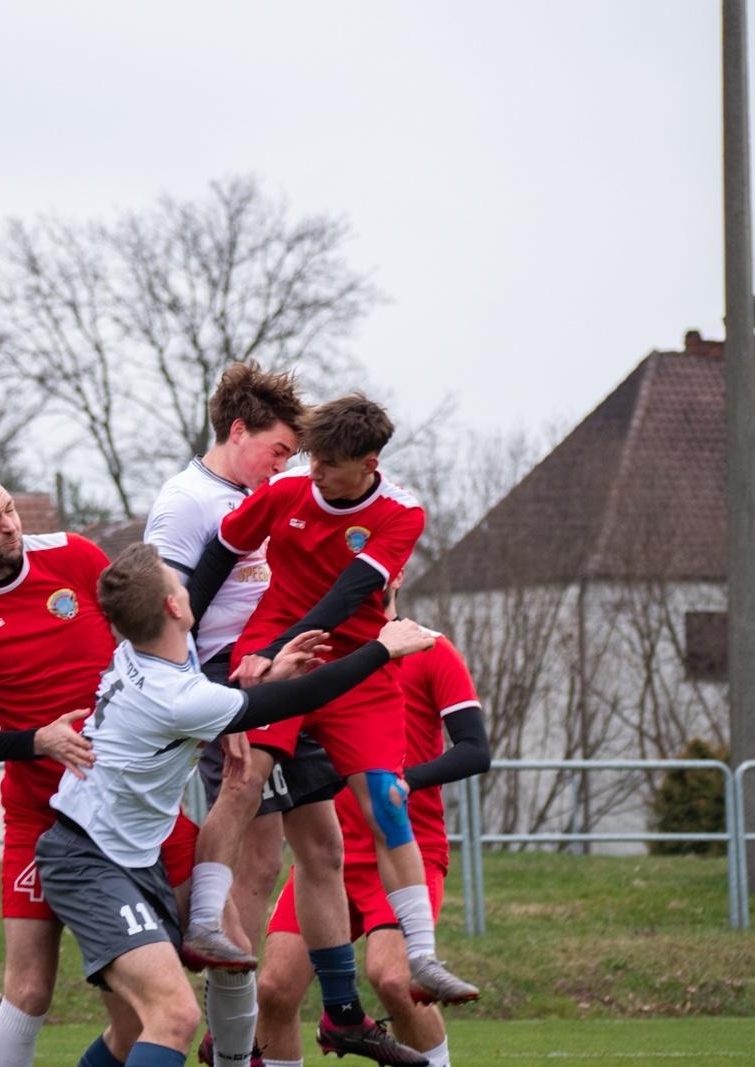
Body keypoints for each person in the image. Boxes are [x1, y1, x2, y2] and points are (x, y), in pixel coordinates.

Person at [35, 543, 437, 1067]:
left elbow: (228, 700)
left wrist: (265, 678)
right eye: (176, 582)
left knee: (217, 963)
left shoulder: (151, 651)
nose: (187, 584)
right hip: (87, 859)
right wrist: (381, 649)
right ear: (173, 608)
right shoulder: (175, 693)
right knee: (174, 1016)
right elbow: (291, 702)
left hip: (135, 847)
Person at [185, 393, 479, 1028]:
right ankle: (205, 921)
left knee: (385, 802)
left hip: (356, 671)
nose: (312, 471)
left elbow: (350, 594)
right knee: (244, 778)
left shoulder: (401, 511)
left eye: (328, 463)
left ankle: (422, 955)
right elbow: (220, 554)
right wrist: (186, 648)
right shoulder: (285, 492)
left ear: (368, 463)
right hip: (276, 660)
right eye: (310, 457)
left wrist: (273, 648)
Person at [0, 462, 196, 1067]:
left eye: (9, 509)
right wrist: (35, 742)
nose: (9, 526)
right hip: (42, 818)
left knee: (202, 958)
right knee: (29, 988)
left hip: (132, 802)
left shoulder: (73, 556)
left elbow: (150, 625)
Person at [141, 361, 343, 1067]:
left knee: (323, 846)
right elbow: (159, 618)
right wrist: (213, 708)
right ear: (237, 430)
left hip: (283, 674)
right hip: (230, 679)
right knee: (258, 859)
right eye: (279, 451)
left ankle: (325, 1009)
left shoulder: (267, 495)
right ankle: (237, 1036)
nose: (283, 467)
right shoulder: (187, 500)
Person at [254, 574, 491, 1067]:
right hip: (328, 859)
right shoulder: (313, 656)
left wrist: (402, 780)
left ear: (395, 574)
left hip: (406, 850)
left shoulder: (430, 649)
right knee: (274, 988)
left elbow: (474, 749)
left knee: (393, 978)